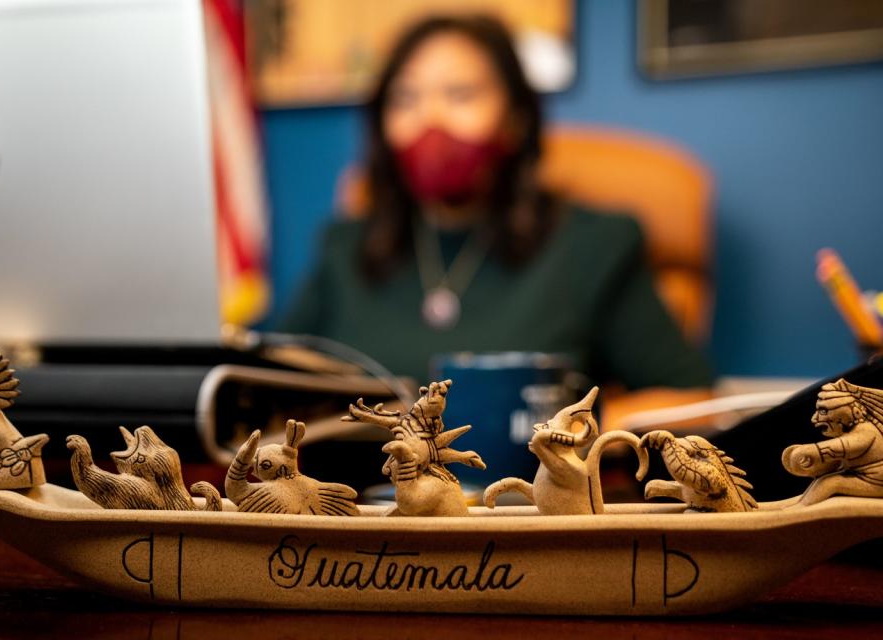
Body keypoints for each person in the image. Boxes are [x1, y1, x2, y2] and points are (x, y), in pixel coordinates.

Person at [278, 14, 712, 413]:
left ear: (516, 120)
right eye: (405, 98)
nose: (430, 119)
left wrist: (583, 434)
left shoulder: (593, 245)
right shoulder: (345, 246)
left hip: (519, 494)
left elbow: (689, 397)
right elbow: (269, 377)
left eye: (461, 94)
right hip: (356, 493)